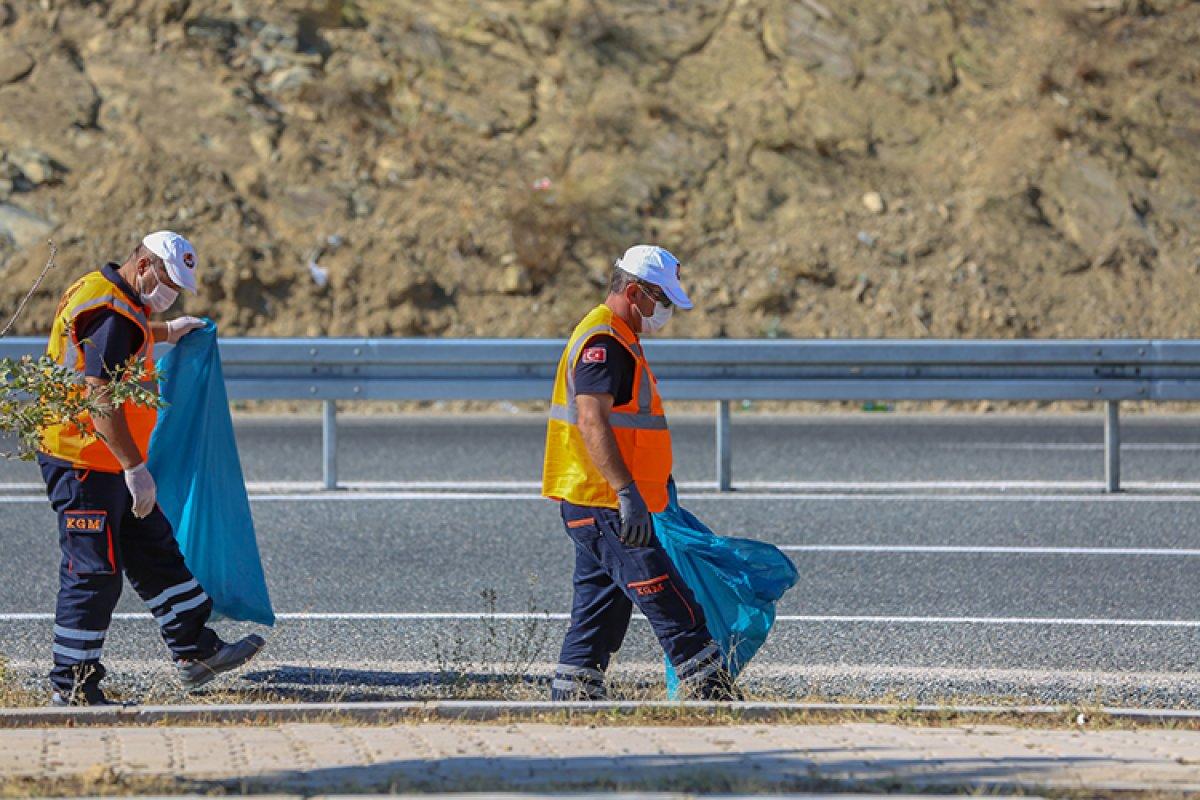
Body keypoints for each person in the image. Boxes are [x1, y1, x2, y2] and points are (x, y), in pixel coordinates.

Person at [37, 231, 264, 706]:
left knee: (153, 547)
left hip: (104, 459)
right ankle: (73, 687)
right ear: (143, 266)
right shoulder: (115, 312)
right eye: (166, 281)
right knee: (93, 573)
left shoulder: (109, 295)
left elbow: (104, 346)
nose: (169, 295)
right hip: (85, 459)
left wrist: (164, 330)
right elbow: (100, 390)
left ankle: (195, 651)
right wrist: (134, 467)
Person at [542, 244, 735, 700]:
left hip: (601, 502)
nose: (666, 311)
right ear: (635, 292)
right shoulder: (605, 343)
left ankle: (573, 700)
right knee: (672, 603)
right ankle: (715, 697)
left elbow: (631, 428)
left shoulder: (616, 336)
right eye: (662, 301)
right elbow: (592, 420)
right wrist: (627, 490)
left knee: (598, 614)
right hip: (607, 502)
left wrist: (651, 484)